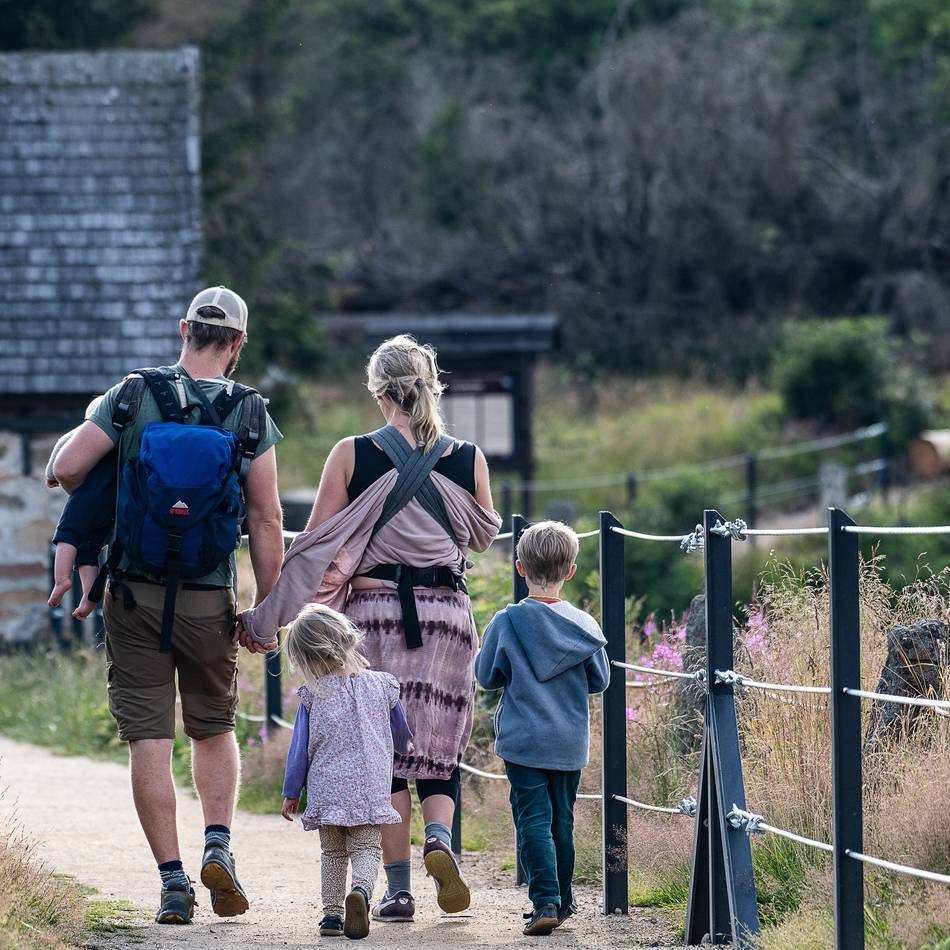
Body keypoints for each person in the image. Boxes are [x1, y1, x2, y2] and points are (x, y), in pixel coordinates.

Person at [238, 334, 501, 922]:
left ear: (379, 391)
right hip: (448, 618)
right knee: (436, 749)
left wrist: (264, 620)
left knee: (384, 752)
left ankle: (399, 890)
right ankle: (440, 841)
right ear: (432, 386)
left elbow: (315, 548)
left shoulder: (351, 454)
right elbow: (483, 534)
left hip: (373, 616)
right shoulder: (469, 457)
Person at [50, 286, 285, 925]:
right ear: (237, 342)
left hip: (133, 593)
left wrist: (103, 421)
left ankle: (173, 880)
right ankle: (219, 843)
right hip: (209, 594)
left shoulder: (131, 395)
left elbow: (68, 470)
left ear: (184, 329)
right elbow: (266, 520)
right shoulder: (249, 412)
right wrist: (267, 607)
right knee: (213, 725)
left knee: (149, 737)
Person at [475, 520, 610, 937]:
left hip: (523, 741)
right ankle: (564, 899)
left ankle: (545, 901)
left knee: (533, 819)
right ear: (570, 571)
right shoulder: (584, 625)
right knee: (561, 821)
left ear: (520, 568)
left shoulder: (507, 621)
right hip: (568, 742)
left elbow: (486, 677)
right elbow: (600, 681)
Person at [280, 603, 413, 940]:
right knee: (367, 848)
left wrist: (291, 792)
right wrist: (404, 745)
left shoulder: (312, 695)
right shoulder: (382, 685)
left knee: (333, 853)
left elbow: (299, 750)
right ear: (347, 641)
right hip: (369, 787)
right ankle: (362, 893)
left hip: (327, 791)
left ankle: (331, 916)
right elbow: (400, 730)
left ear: (307, 659)